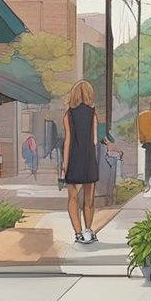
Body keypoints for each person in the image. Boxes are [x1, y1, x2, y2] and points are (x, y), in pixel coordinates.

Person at [62, 80, 100, 244]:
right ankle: (89, 230)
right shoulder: (93, 114)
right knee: (89, 200)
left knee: (73, 198)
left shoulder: (68, 115)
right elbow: (94, 140)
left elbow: (67, 141)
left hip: (74, 159)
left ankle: (77, 233)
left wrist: (64, 164)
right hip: (88, 159)